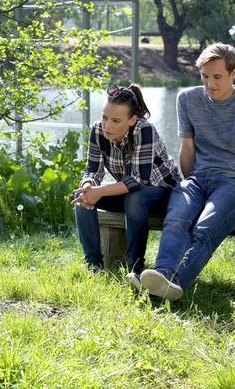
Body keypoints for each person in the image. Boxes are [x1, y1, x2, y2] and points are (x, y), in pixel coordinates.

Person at [139, 43, 235, 300]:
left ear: (234, 73)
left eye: (217, 77)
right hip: (198, 181)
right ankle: (163, 273)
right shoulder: (187, 99)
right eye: (204, 76)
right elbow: (187, 150)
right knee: (177, 220)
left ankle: (175, 282)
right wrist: (192, 191)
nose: (210, 84)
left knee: (203, 229)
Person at [73, 84, 181, 281]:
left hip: (164, 194)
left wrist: (101, 190)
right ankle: (94, 266)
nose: (107, 126)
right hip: (130, 191)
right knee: (82, 196)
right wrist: (89, 185)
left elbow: (140, 180)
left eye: (116, 120)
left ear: (132, 120)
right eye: (105, 117)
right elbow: (92, 169)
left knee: (135, 198)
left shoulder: (144, 129)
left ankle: (135, 269)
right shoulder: (97, 131)